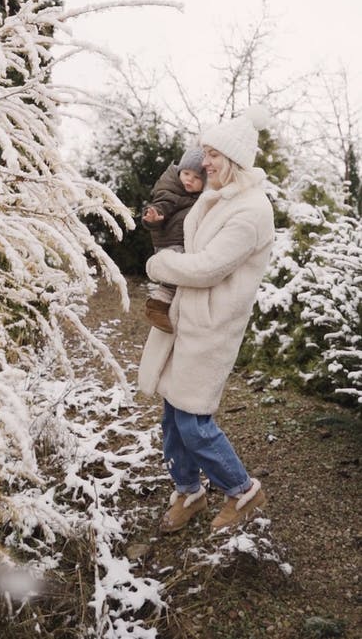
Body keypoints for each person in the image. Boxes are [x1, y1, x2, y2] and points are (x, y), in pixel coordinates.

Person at [137, 106, 275, 533]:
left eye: (213, 154)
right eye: (204, 152)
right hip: (187, 317)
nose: (204, 162)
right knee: (172, 414)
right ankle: (188, 491)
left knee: (193, 420)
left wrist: (159, 265)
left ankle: (242, 489)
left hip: (212, 324)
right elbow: (188, 243)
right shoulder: (215, 196)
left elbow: (208, 267)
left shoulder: (251, 211)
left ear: (233, 157)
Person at [141, 147, 206, 333]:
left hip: (177, 240)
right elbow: (162, 204)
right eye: (186, 173)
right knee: (173, 280)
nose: (189, 179)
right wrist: (154, 216)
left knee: (179, 281)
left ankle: (167, 309)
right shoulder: (172, 190)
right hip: (169, 243)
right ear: (179, 172)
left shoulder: (194, 196)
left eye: (196, 178)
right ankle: (156, 307)